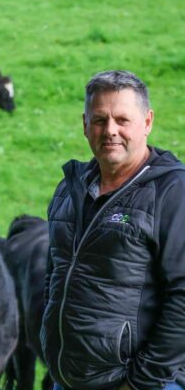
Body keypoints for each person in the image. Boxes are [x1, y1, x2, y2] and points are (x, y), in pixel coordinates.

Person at [41, 70, 185, 390]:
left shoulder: (172, 192)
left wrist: (140, 383)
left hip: (142, 383)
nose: (110, 131)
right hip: (68, 379)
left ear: (147, 122)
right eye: (99, 120)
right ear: (84, 124)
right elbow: (55, 275)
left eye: (123, 120)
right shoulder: (69, 188)